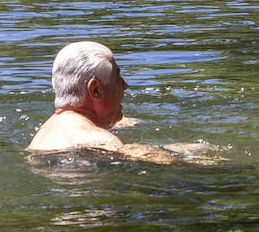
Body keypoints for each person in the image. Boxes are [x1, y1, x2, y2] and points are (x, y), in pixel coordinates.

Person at [27, 41, 216, 163]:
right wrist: (206, 159)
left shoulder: (51, 127)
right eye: (117, 78)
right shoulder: (96, 138)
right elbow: (156, 160)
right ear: (96, 89)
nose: (125, 85)